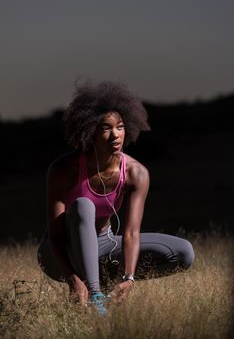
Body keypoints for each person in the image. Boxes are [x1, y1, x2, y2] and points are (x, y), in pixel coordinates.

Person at [37, 79, 195, 315]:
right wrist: (72, 279)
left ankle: (104, 284)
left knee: (184, 252)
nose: (115, 135)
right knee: (83, 206)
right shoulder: (63, 169)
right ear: (89, 130)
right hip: (60, 253)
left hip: (105, 244)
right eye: (105, 128)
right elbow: (55, 237)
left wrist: (129, 277)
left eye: (120, 127)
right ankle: (95, 296)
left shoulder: (135, 173)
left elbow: (131, 232)